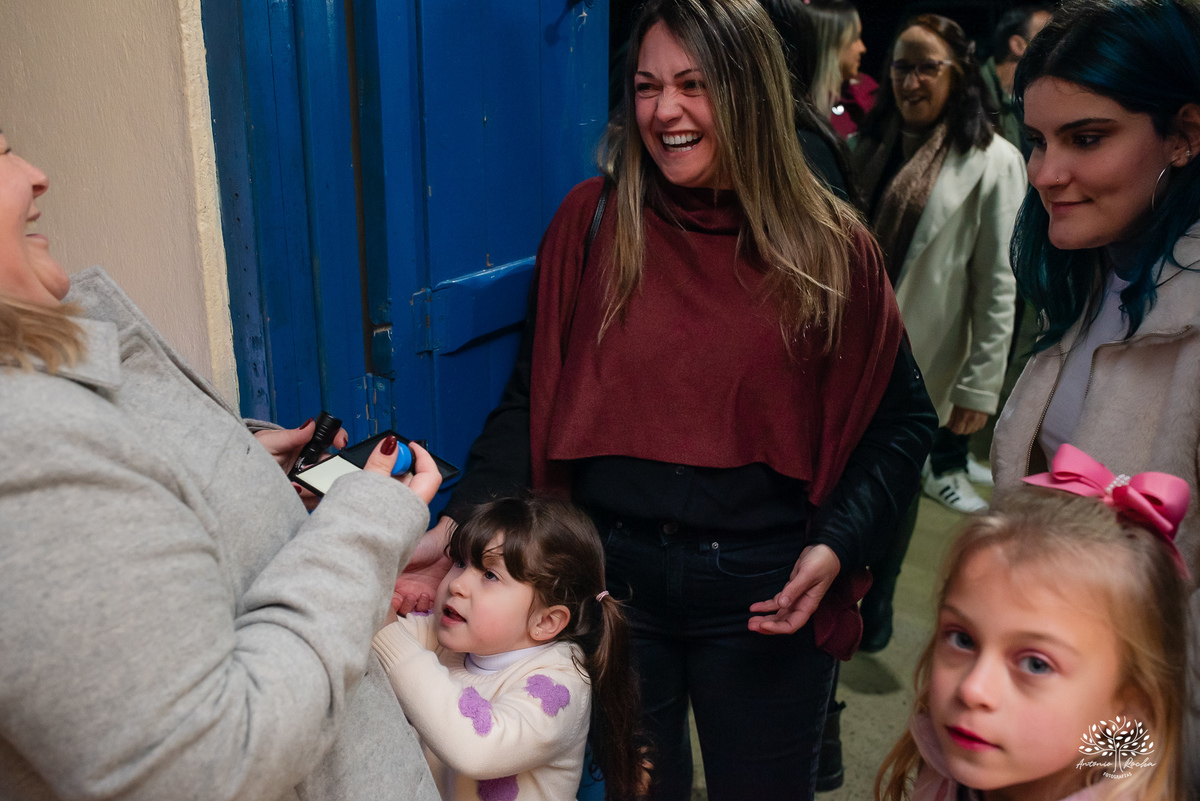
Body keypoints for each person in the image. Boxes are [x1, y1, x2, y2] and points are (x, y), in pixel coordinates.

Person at [395, 1, 937, 798]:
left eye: (694, 84)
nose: (665, 111)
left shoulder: (831, 247)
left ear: (749, 89)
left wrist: (837, 543)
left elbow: (901, 424)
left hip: (765, 591)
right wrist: (454, 527)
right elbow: (530, 405)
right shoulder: (592, 223)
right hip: (613, 582)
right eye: (647, 87)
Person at [0, 130, 444, 800]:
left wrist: (233, 469)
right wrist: (368, 525)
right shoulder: (23, 445)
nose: (36, 174)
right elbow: (209, 765)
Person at [991, 0, 1200, 575]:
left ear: (1184, 136)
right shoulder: (1091, 271)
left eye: (1085, 139)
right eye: (1037, 140)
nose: (1044, 174)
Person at [848, 13, 1024, 652]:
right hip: (845, 350)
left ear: (959, 74)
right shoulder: (869, 145)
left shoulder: (994, 161)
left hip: (918, 358)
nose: (911, 81)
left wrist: (980, 386)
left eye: (927, 67)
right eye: (901, 66)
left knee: (895, 486)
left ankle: (876, 608)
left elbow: (998, 283)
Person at [875, 453, 1189, 801]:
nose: (973, 689)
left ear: (1130, 707)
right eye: (962, 639)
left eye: (1036, 664)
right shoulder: (942, 766)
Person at [372, 497, 646, 801]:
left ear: (545, 621)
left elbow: (477, 749)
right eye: (460, 562)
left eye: (490, 575)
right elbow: (366, 640)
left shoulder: (557, 686)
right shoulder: (444, 634)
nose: (457, 584)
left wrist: (388, 635)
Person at [980, 5, 1053, 156]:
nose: (1061, 43)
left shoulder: (1044, 92)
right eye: (1048, 36)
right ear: (1018, 45)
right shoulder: (973, 94)